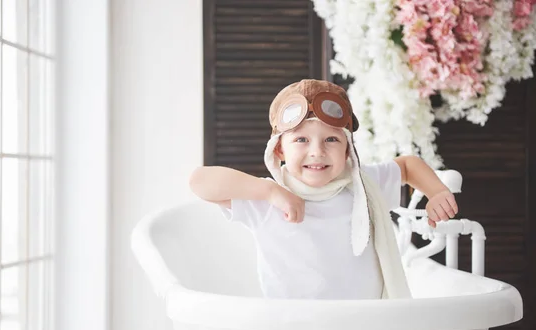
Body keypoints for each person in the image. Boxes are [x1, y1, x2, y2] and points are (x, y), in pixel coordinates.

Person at [190, 79, 458, 300]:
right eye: (301, 140)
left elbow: (409, 166)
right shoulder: (267, 199)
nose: (317, 152)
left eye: (331, 139)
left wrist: (437, 192)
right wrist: (270, 192)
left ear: (347, 149)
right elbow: (199, 181)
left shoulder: (361, 186)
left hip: (364, 326)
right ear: (280, 149)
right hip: (294, 328)